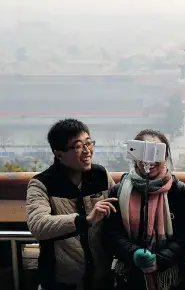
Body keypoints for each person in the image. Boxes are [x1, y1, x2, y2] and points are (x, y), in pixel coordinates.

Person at [25, 118, 116, 290]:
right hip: (60, 282)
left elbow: (120, 207)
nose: (87, 151)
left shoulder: (101, 175)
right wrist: (85, 220)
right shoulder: (42, 183)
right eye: (78, 146)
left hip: (101, 279)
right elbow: (38, 225)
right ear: (59, 154)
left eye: (89, 143)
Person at [104, 129, 185, 290]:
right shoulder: (119, 190)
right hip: (130, 275)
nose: (150, 159)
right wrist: (133, 254)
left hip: (170, 275)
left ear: (166, 156)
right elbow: (112, 232)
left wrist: (160, 259)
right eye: (143, 152)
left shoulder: (178, 190)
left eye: (157, 151)